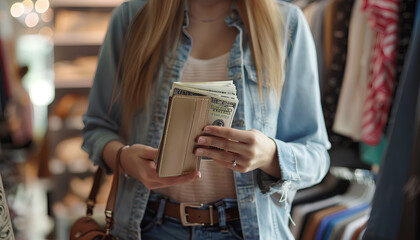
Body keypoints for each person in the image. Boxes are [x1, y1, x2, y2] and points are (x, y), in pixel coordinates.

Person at [82, 0, 331, 239]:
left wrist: (271, 155)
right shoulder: (131, 19)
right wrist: (124, 158)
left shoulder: (286, 22)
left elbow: (316, 156)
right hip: (148, 227)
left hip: (249, 230)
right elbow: (97, 128)